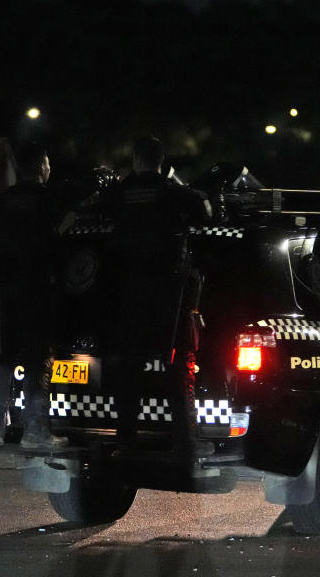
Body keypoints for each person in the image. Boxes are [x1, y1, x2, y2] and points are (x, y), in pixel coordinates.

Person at [111, 137, 212, 444]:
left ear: (137, 161)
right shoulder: (173, 193)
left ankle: (126, 437)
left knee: (129, 367)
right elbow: (205, 211)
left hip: (130, 292)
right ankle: (185, 438)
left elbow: (101, 211)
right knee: (178, 365)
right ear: (161, 162)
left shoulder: (120, 193)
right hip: (170, 294)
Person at [0, 141, 67, 449]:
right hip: (36, 288)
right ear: (41, 167)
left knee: (2, 357)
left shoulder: (5, 199)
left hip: (6, 287)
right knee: (38, 362)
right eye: (46, 163)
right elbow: (57, 241)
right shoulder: (48, 199)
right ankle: (37, 429)